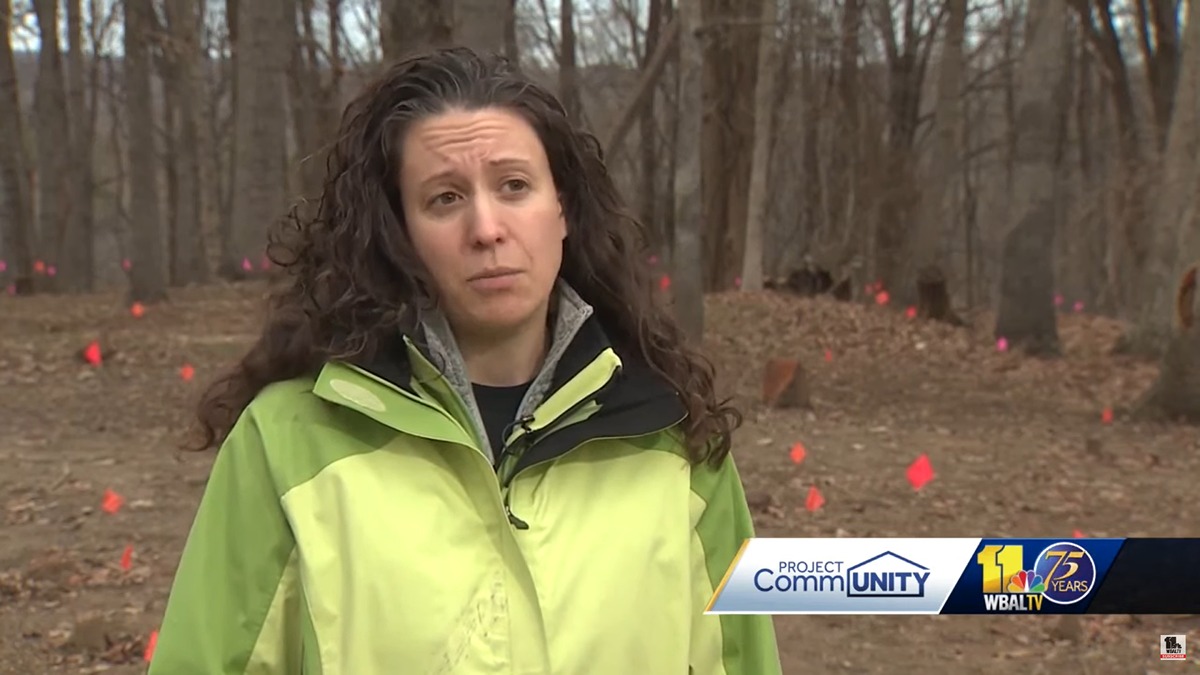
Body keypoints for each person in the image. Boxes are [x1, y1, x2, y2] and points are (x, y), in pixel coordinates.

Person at [148, 46, 781, 674]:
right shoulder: (286, 443)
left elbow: (743, 659)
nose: (486, 228)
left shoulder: (671, 435)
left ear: (561, 210)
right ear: (401, 235)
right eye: (445, 198)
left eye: (514, 186)